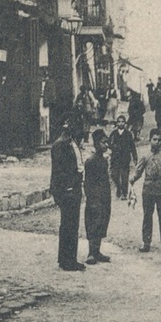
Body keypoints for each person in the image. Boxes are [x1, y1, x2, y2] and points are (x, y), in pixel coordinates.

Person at [129, 129, 161, 254]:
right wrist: (132, 180)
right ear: (150, 140)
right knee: (147, 217)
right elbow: (138, 171)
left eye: (159, 140)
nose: (157, 142)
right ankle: (146, 242)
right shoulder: (145, 156)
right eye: (154, 139)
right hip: (148, 191)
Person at [49, 116, 85, 272]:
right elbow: (59, 171)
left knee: (71, 225)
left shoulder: (71, 143)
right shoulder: (60, 145)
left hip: (74, 188)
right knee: (69, 225)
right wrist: (68, 187)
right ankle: (67, 260)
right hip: (67, 190)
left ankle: (68, 258)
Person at [84, 128, 112, 265]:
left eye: (107, 143)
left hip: (104, 197)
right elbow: (87, 184)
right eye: (103, 143)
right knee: (94, 223)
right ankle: (91, 253)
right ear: (96, 144)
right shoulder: (91, 161)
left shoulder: (104, 160)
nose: (106, 145)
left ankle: (97, 251)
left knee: (102, 222)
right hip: (95, 199)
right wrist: (91, 199)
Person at [108, 113, 138, 200]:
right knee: (114, 175)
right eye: (119, 122)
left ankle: (124, 193)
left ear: (125, 123)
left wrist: (135, 157)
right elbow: (109, 143)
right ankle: (118, 187)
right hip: (115, 158)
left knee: (125, 176)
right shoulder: (113, 134)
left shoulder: (128, 134)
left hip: (125, 158)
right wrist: (113, 147)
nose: (121, 123)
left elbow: (132, 146)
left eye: (122, 122)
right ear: (117, 123)